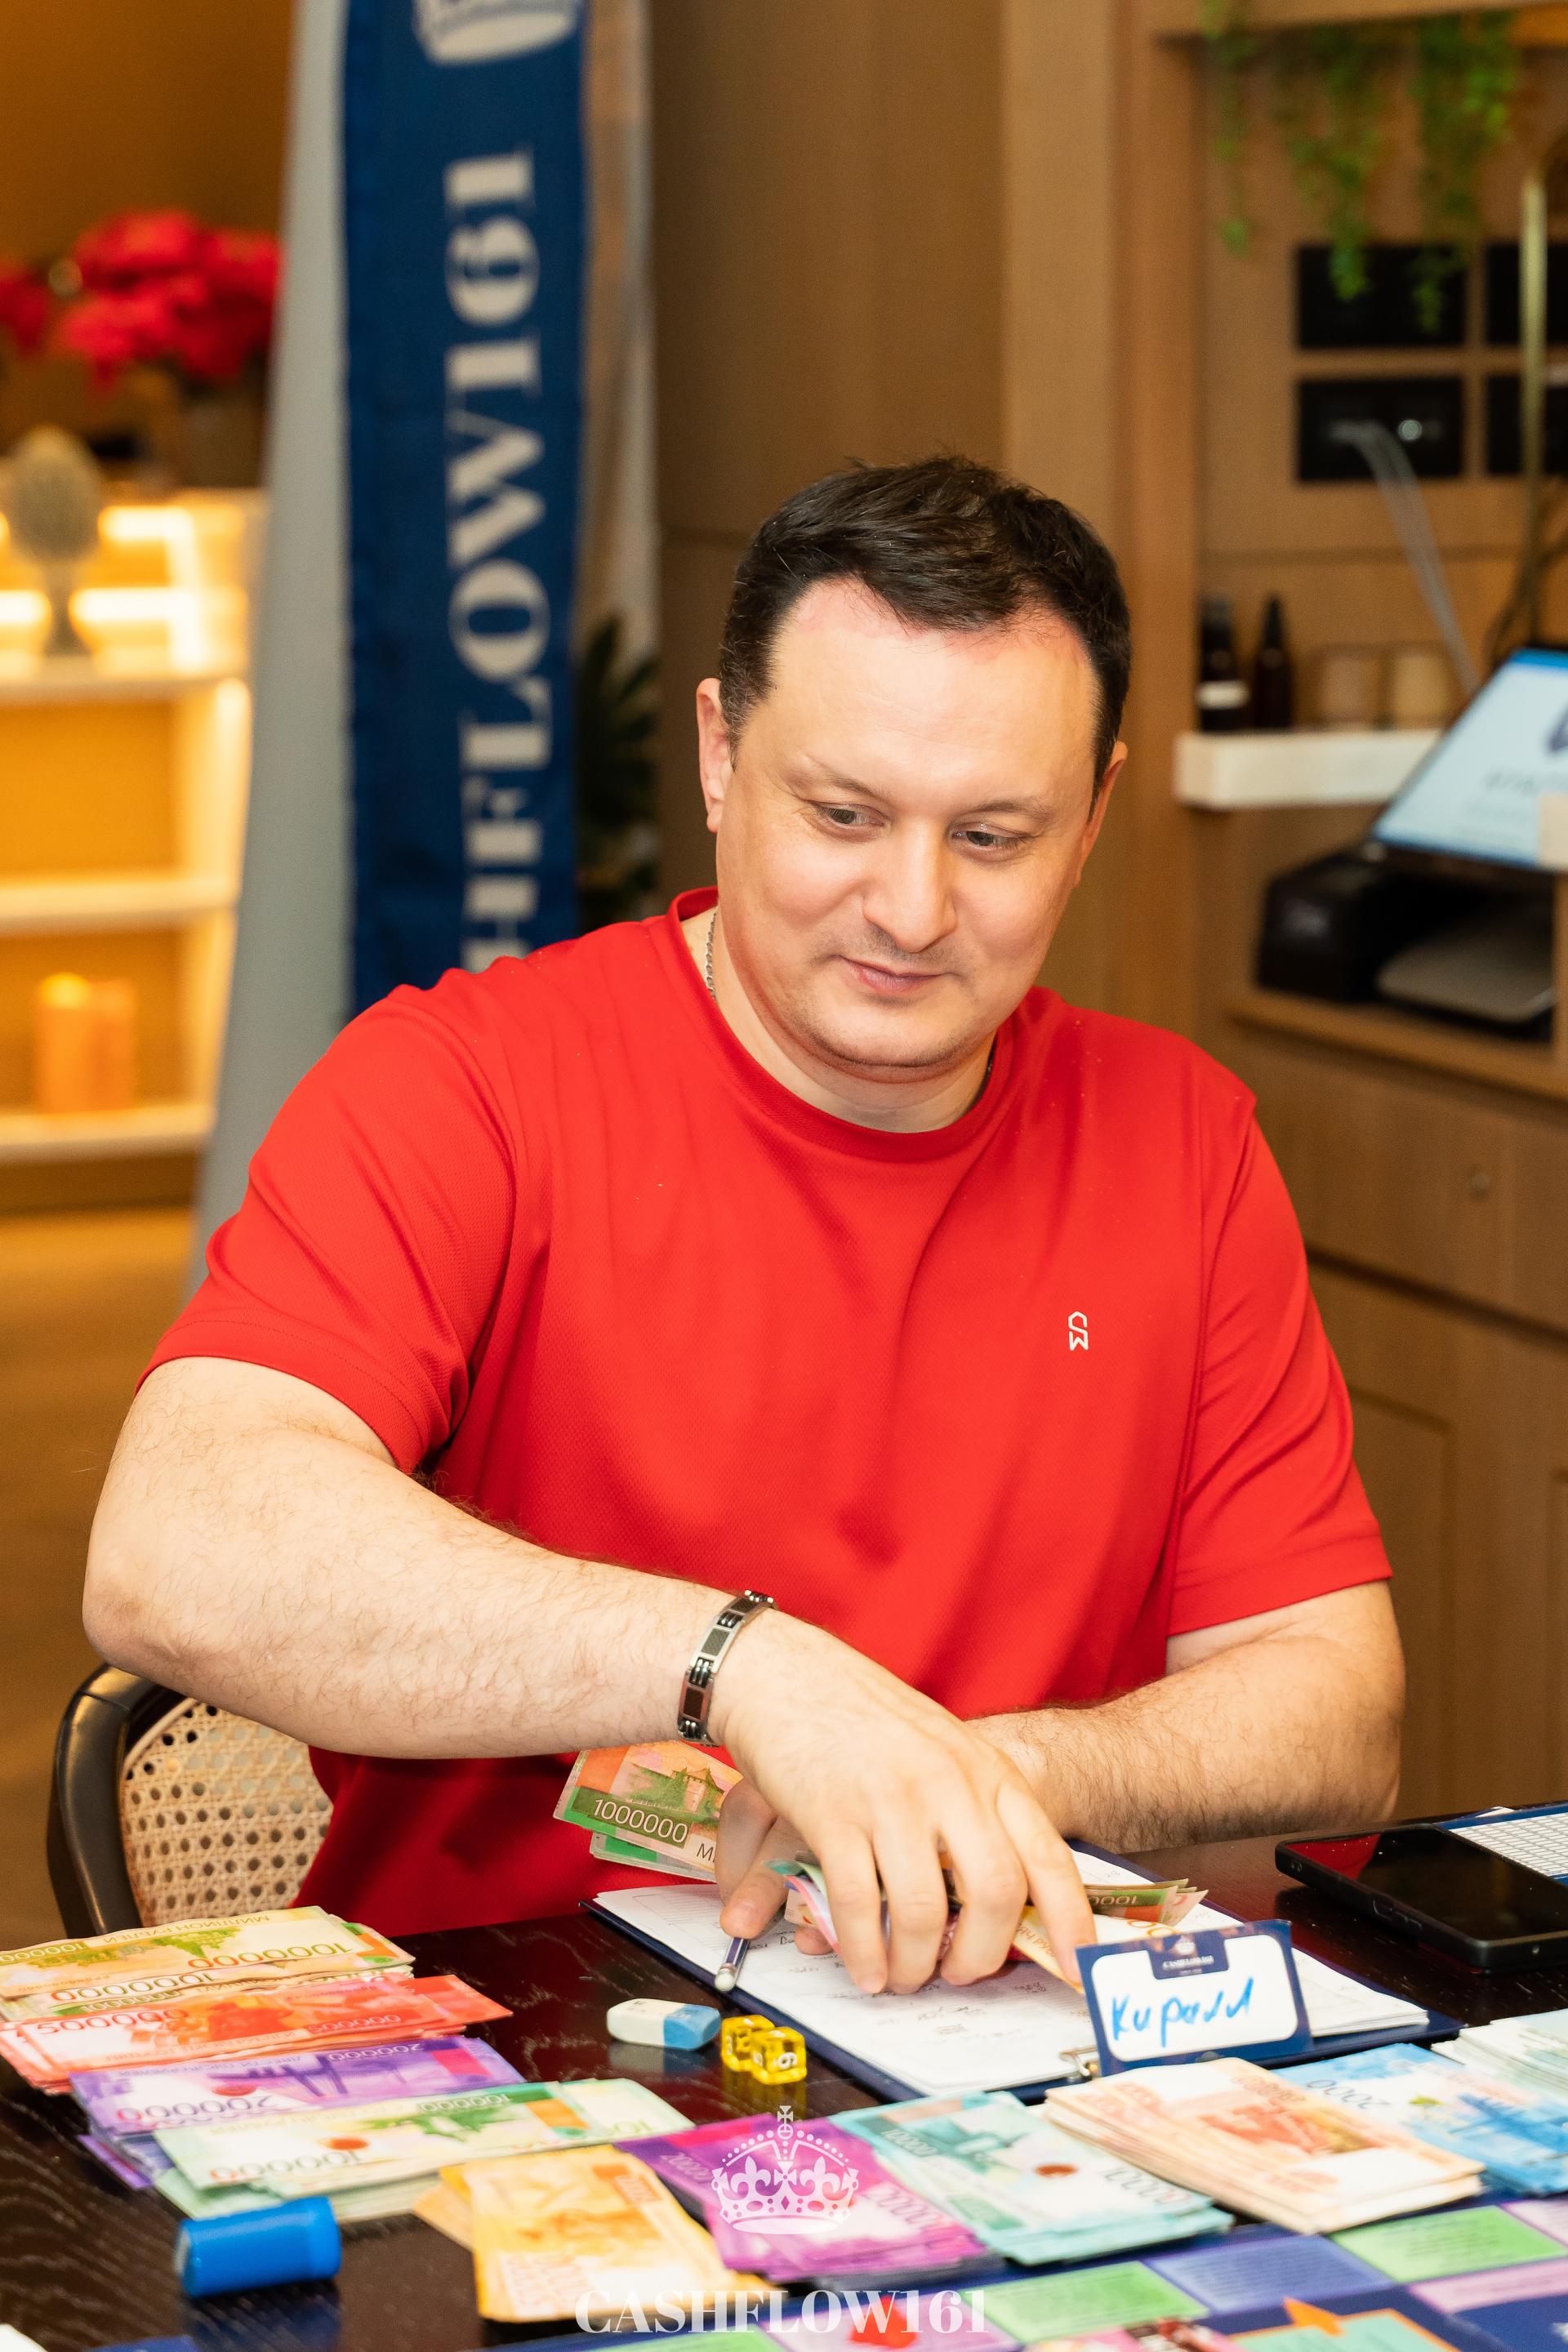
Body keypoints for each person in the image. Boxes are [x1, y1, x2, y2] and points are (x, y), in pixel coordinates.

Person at [85, 457, 1403, 1999]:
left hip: (1001, 2049)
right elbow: (174, 1548)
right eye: (844, 815)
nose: (911, 910)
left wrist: (970, 1777)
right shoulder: (464, 1086)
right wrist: (747, 1671)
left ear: (1096, 811)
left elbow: (1337, 1710)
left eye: (993, 837)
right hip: (520, 2037)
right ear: (720, 756)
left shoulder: (1180, 1138)